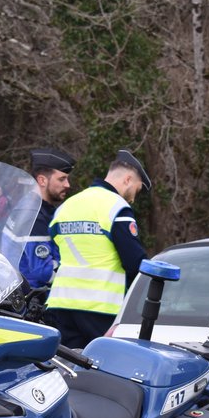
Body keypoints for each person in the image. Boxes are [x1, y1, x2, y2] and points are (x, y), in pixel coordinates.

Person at [45, 149, 151, 348]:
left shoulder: (66, 206)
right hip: (101, 309)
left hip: (61, 304)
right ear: (128, 179)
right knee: (104, 364)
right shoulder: (116, 207)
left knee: (67, 365)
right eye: (136, 191)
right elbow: (134, 262)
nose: (133, 199)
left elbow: (55, 252)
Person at [20, 147, 76, 289]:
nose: (67, 185)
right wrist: (77, 277)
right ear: (42, 180)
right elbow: (43, 271)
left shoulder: (32, 206)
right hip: (35, 295)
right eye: (62, 179)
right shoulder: (35, 215)